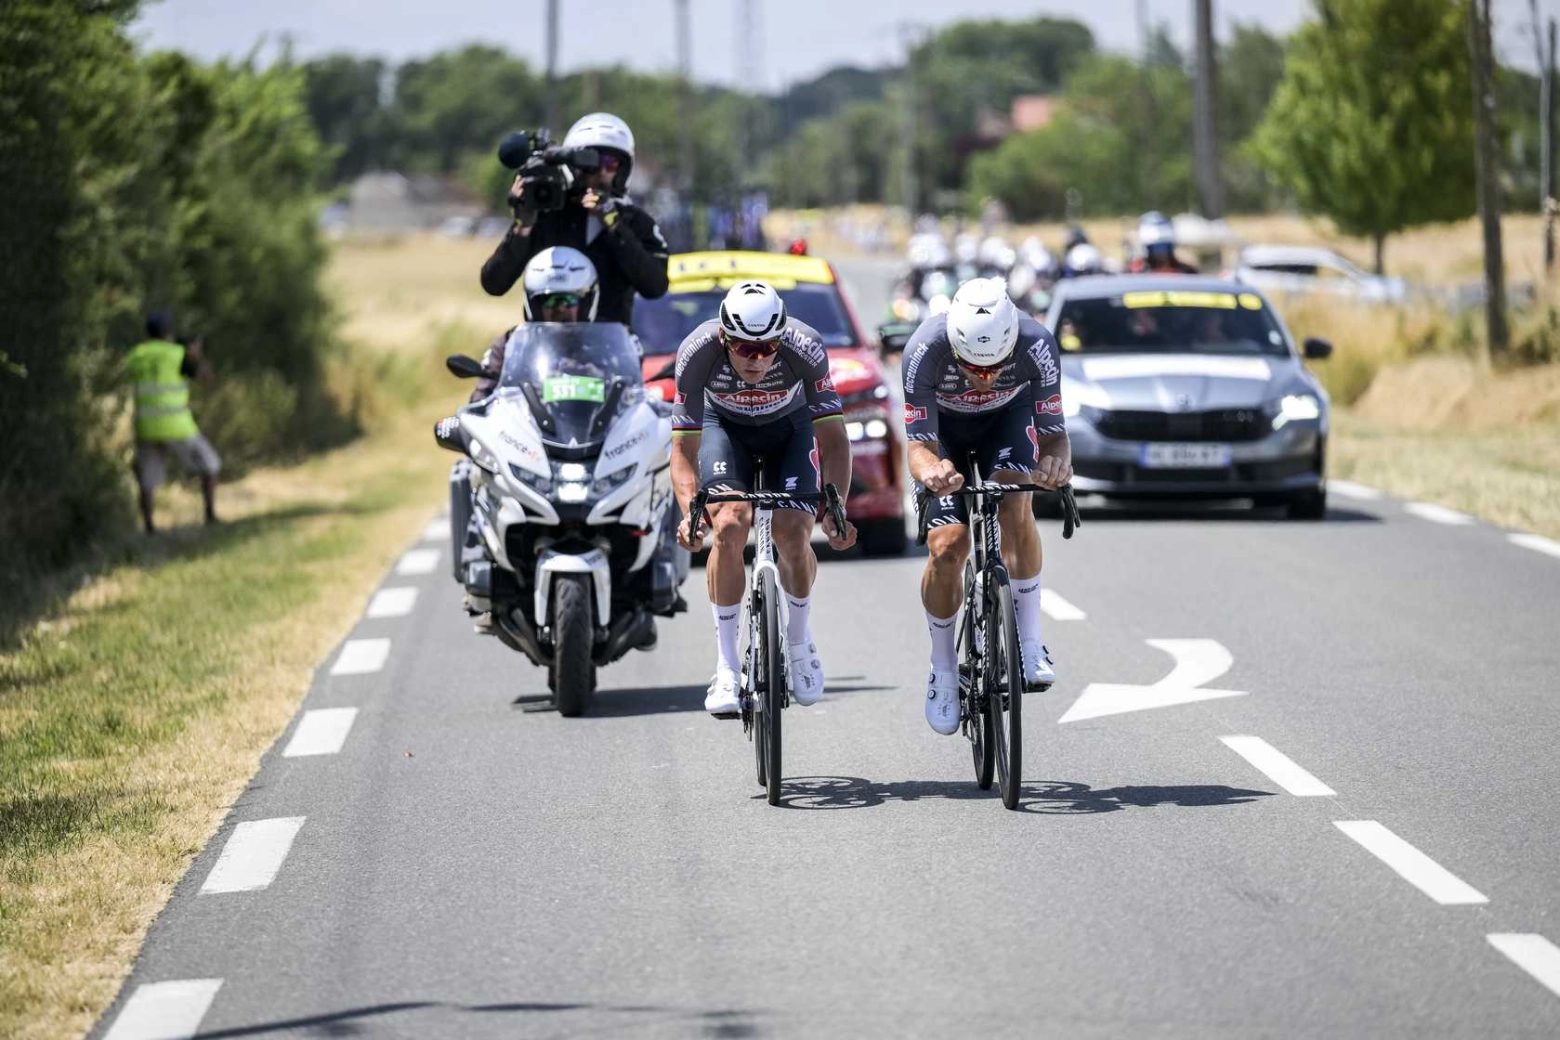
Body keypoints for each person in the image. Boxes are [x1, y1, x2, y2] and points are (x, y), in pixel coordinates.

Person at [670, 281, 857, 717]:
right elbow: (682, 450)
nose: (756, 359)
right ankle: (727, 666)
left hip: (788, 430)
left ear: (782, 337)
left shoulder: (805, 348)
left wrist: (837, 507)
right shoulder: (696, 353)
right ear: (723, 337)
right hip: (724, 429)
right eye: (743, 348)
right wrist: (691, 514)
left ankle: (798, 638)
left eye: (767, 347)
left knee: (794, 534)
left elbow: (834, 440)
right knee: (730, 524)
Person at [902, 279, 1073, 735]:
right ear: (954, 348)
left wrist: (1056, 464)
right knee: (948, 546)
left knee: (1015, 503)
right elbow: (918, 446)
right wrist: (931, 472)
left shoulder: (1037, 344)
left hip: (1006, 423)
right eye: (972, 367)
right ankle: (942, 667)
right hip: (945, 435)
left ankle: (1031, 642)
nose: (985, 377)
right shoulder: (924, 349)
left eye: (997, 365)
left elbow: (1055, 433)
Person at [480, 112, 669, 325]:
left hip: (610, 351)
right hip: (545, 348)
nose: (601, 172)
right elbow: (494, 284)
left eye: (611, 163)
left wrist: (614, 224)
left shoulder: (635, 221)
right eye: (591, 163)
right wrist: (522, 226)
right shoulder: (548, 215)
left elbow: (655, 287)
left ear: (623, 169)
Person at [125, 313, 221, 534]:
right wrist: (195, 356)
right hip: (177, 425)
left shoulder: (136, 355)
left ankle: (149, 527)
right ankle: (210, 515)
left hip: (145, 426)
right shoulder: (178, 354)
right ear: (168, 331)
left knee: (148, 480)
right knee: (210, 464)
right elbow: (206, 380)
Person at [469, 246, 600, 403]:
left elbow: (632, 394)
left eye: (569, 299)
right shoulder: (510, 345)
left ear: (586, 303)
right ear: (534, 305)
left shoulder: (606, 345)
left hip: (598, 425)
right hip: (526, 425)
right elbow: (481, 397)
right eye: (549, 299)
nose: (560, 308)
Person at [1128, 211, 1199, 274]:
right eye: (1155, 248)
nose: (1161, 253)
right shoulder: (1135, 272)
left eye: (1165, 246)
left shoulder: (1187, 272)